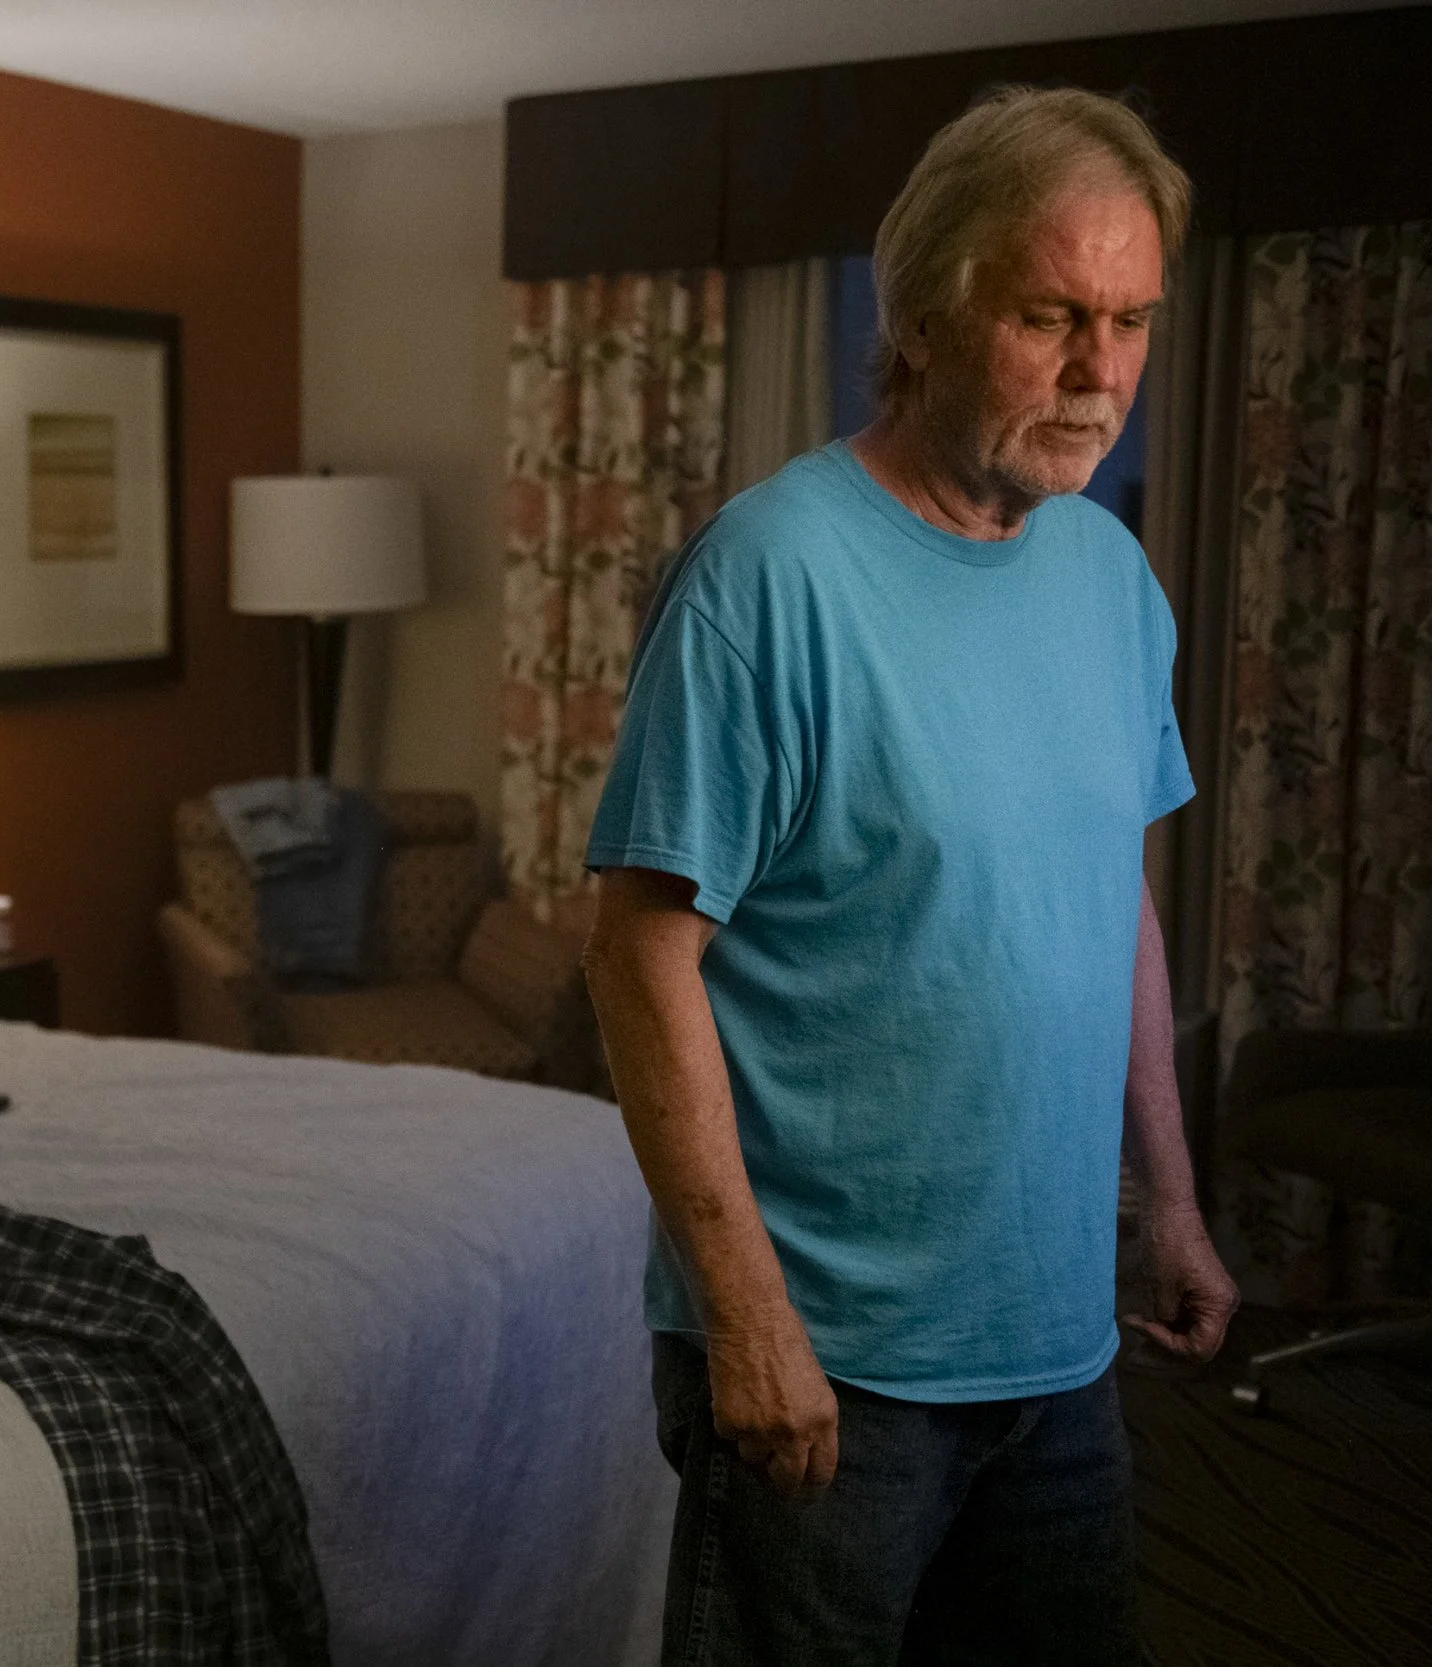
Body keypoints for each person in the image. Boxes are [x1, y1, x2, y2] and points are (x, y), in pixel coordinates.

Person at [581, 85, 1238, 1665]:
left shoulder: (1109, 574)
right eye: (1051, 317)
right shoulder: (771, 574)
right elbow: (639, 952)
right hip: (833, 1360)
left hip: (1059, 1348)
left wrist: (1173, 1198)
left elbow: (1112, 909)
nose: (1102, 375)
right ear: (929, 314)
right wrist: (743, 1316)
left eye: (1132, 321)